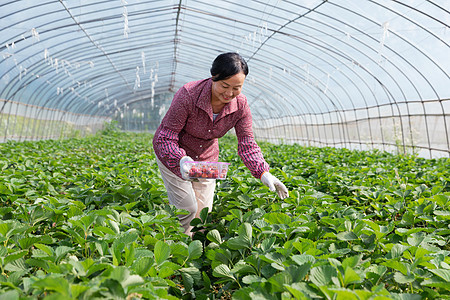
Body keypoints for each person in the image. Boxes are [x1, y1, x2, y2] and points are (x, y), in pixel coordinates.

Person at [152, 52, 288, 237]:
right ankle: (177, 250)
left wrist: (263, 172)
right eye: (225, 85)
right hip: (174, 157)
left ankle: (196, 253)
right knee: (187, 208)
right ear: (213, 77)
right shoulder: (189, 94)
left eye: (236, 88)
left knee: (202, 215)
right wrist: (181, 160)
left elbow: (247, 142)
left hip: (206, 160)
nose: (229, 93)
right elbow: (166, 136)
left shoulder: (240, 106)